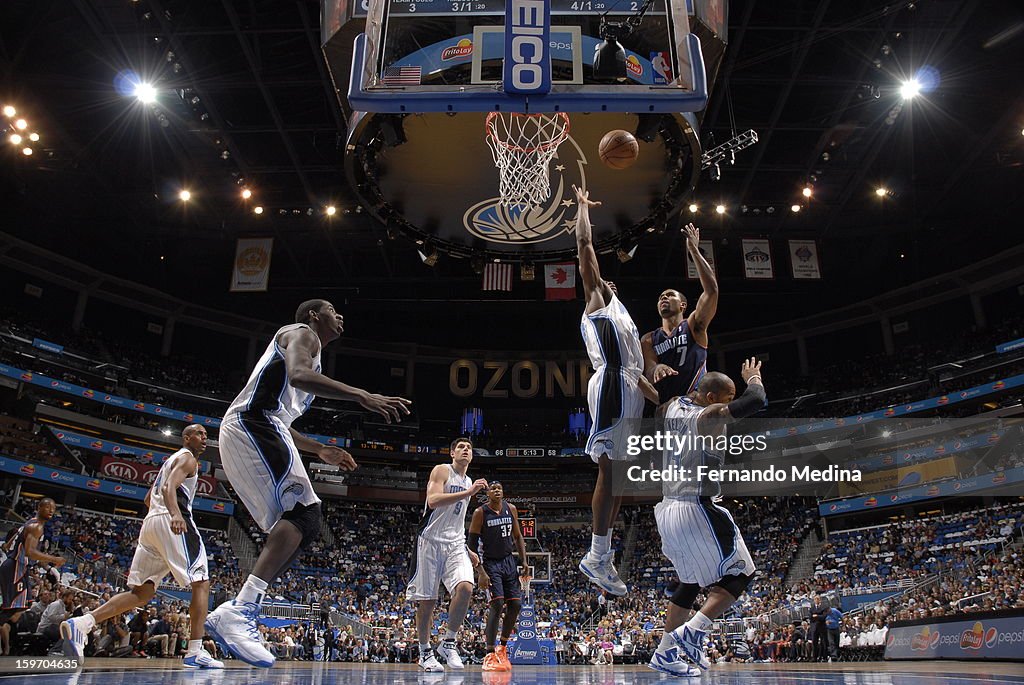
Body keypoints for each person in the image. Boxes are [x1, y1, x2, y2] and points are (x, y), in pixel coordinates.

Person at [208, 300, 411, 667]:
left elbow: (287, 417)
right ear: (314, 316)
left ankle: (241, 608)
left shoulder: (309, 351)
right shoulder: (302, 333)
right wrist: (361, 395)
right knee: (305, 513)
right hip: (253, 424)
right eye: (333, 309)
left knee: (300, 525)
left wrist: (320, 448)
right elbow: (299, 375)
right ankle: (241, 610)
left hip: (263, 428)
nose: (341, 315)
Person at [61, 425, 222, 668]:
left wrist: (161, 518)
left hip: (151, 524)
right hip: (172, 520)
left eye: (206, 435)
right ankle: (195, 651)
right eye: (199, 434)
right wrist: (175, 515)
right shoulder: (188, 459)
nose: (204, 439)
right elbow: (169, 489)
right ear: (186, 437)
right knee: (201, 582)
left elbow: (148, 498)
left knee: (142, 593)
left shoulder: (169, 462)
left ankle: (82, 623)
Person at [648, 359, 765, 676]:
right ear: (712, 398)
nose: (730, 406)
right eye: (727, 398)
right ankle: (694, 632)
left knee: (689, 583)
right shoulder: (708, 416)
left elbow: (657, 402)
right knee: (742, 573)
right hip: (696, 506)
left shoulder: (672, 407)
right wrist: (752, 377)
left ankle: (665, 654)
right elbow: (756, 400)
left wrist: (657, 373)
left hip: (667, 509)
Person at [572, 185, 658, 596]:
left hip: (629, 387)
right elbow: (585, 246)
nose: (603, 279)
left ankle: (603, 556)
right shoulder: (597, 300)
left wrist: (670, 401)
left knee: (622, 479)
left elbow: (640, 375)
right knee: (610, 469)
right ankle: (596, 553)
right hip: (610, 383)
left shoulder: (623, 316)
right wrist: (584, 209)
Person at [407, 437, 488, 672]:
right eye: (461, 447)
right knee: (428, 602)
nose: (465, 450)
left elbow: (455, 519)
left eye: (469, 448)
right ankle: (424, 653)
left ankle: (449, 642)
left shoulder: (469, 480)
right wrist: (468, 493)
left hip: (455, 543)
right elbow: (432, 501)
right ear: (452, 453)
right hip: (430, 541)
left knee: (465, 588)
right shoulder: (442, 470)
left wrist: (466, 548)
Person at [641, 223, 718, 407]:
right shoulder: (649, 339)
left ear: (683, 305)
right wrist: (657, 368)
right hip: (668, 406)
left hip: (697, 403)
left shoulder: (693, 325)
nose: (664, 298)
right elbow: (649, 370)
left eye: (669, 295)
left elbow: (712, 291)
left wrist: (694, 251)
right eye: (661, 297)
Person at [468, 481, 530, 671]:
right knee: (496, 603)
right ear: (487, 494)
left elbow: (518, 536)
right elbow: (471, 546)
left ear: (503, 492)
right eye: (493, 488)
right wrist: (480, 572)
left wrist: (524, 560)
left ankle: (502, 648)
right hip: (490, 563)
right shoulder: (480, 513)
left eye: (499, 488)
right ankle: (489, 653)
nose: (496, 490)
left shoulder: (510, 509)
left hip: (508, 561)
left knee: (516, 604)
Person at [0, 498, 64, 642]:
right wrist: (55, 559)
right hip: (15, 566)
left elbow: (7, 546)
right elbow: (29, 552)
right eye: (48, 507)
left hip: (17, 566)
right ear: (39, 507)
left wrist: (48, 566)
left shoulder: (28, 523)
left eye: (53, 508)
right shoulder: (37, 526)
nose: (51, 511)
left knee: (26, 603)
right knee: (12, 607)